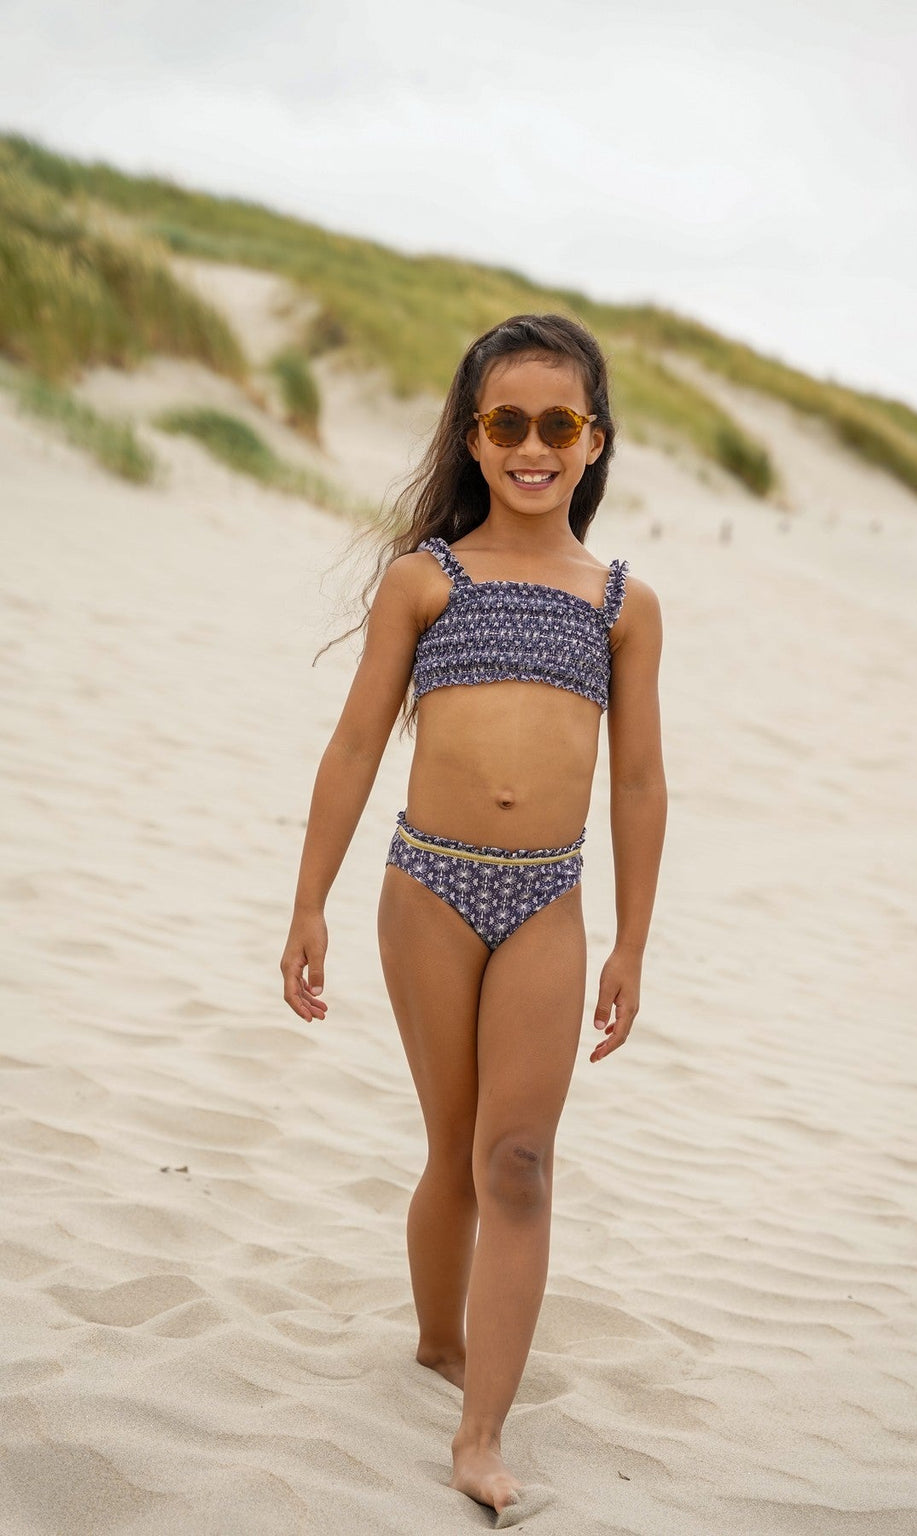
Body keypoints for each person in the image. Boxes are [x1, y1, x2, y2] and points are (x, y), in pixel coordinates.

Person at [280, 313, 666, 1514]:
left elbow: (639, 782)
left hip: (549, 897)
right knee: (453, 1148)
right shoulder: (425, 581)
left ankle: (480, 1435)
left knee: (519, 1161)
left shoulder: (621, 603)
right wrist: (308, 903)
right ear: (472, 435)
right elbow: (355, 746)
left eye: (558, 424)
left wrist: (632, 940)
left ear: (593, 441)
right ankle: (439, 1343)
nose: (532, 447)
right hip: (428, 890)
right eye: (507, 422)